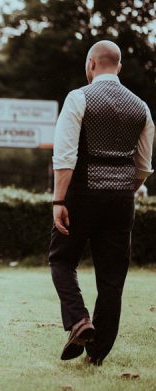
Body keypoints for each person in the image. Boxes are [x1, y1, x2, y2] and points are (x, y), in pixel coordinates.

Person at [49, 40, 154, 365]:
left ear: (91, 64)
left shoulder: (79, 98)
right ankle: (96, 354)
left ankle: (80, 320)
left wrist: (59, 199)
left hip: (82, 194)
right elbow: (143, 166)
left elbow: (65, 156)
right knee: (112, 276)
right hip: (122, 200)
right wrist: (124, 189)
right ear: (118, 67)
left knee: (62, 260)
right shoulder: (142, 108)